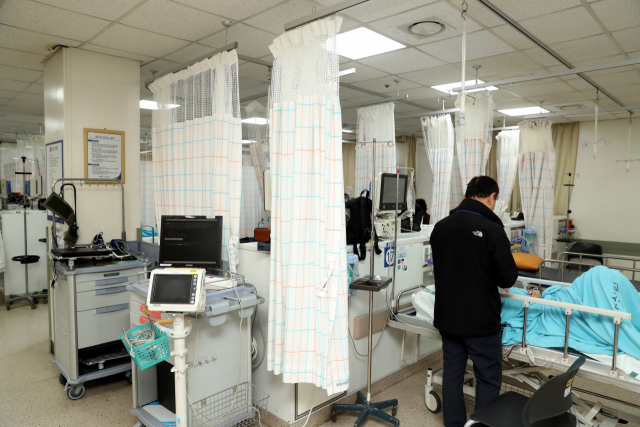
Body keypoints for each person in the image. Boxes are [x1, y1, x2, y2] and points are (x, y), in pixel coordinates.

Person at [430, 176, 519, 427]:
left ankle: (454, 424)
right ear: (491, 197)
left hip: (448, 317)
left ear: (467, 195)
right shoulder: (492, 230)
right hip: (480, 320)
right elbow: (508, 278)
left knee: (453, 374)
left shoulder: (440, 227)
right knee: (488, 378)